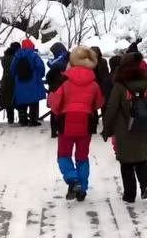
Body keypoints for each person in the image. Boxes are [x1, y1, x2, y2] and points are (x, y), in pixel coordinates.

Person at [48, 47, 104, 202]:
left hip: (66, 120)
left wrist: (59, 111)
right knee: (82, 156)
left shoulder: (64, 80)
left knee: (64, 154)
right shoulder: (94, 83)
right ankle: (82, 189)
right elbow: (99, 102)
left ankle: (73, 180)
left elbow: (54, 101)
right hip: (86, 121)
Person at [102, 52, 147, 203]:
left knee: (126, 162)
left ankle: (129, 194)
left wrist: (107, 128)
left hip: (124, 128)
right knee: (141, 158)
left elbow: (111, 107)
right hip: (143, 126)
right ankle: (145, 183)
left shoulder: (120, 85)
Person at [11, 39, 46, 127]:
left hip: (20, 82)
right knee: (34, 101)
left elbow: (12, 69)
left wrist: (15, 76)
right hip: (33, 81)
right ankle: (33, 120)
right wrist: (39, 76)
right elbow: (40, 67)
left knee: (22, 102)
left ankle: (23, 120)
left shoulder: (17, 55)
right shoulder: (34, 55)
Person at [46, 42, 69, 138]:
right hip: (67, 88)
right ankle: (63, 129)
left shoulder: (55, 64)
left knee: (54, 110)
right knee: (65, 109)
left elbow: (48, 77)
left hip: (55, 88)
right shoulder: (69, 61)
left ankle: (54, 130)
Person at [0, 42, 21, 124]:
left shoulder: (4, 58)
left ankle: (10, 118)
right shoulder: (16, 57)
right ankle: (22, 117)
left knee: (8, 100)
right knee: (18, 99)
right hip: (16, 80)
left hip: (6, 80)